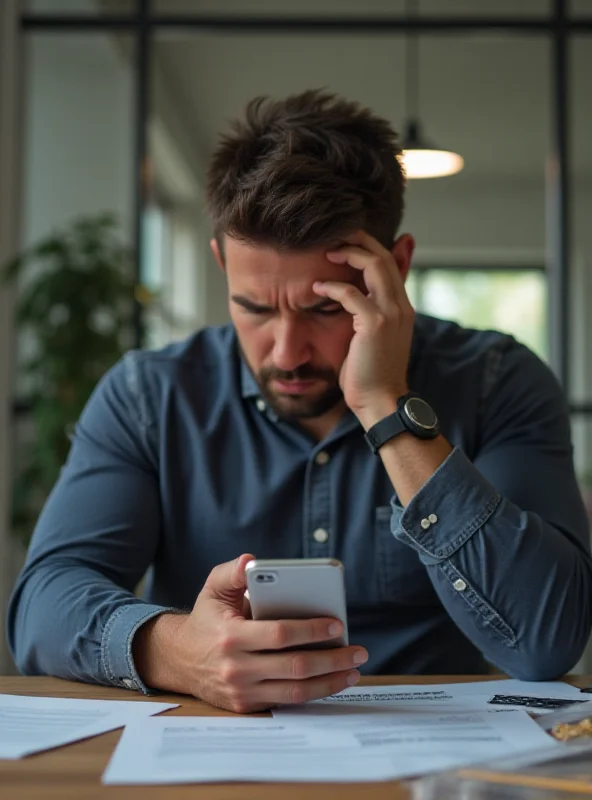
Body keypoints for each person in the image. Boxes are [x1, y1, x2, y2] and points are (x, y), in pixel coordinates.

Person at [8, 90, 592, 713]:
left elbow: (545, 643)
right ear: (220, 263)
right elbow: (44, 602)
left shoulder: (497, 381)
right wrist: (178, 649)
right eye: (253, 307)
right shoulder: (149, 396)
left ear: (394, 268)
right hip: (214, 752)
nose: (285, 352)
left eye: (325, 308)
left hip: (438, 761)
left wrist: (386, 407)